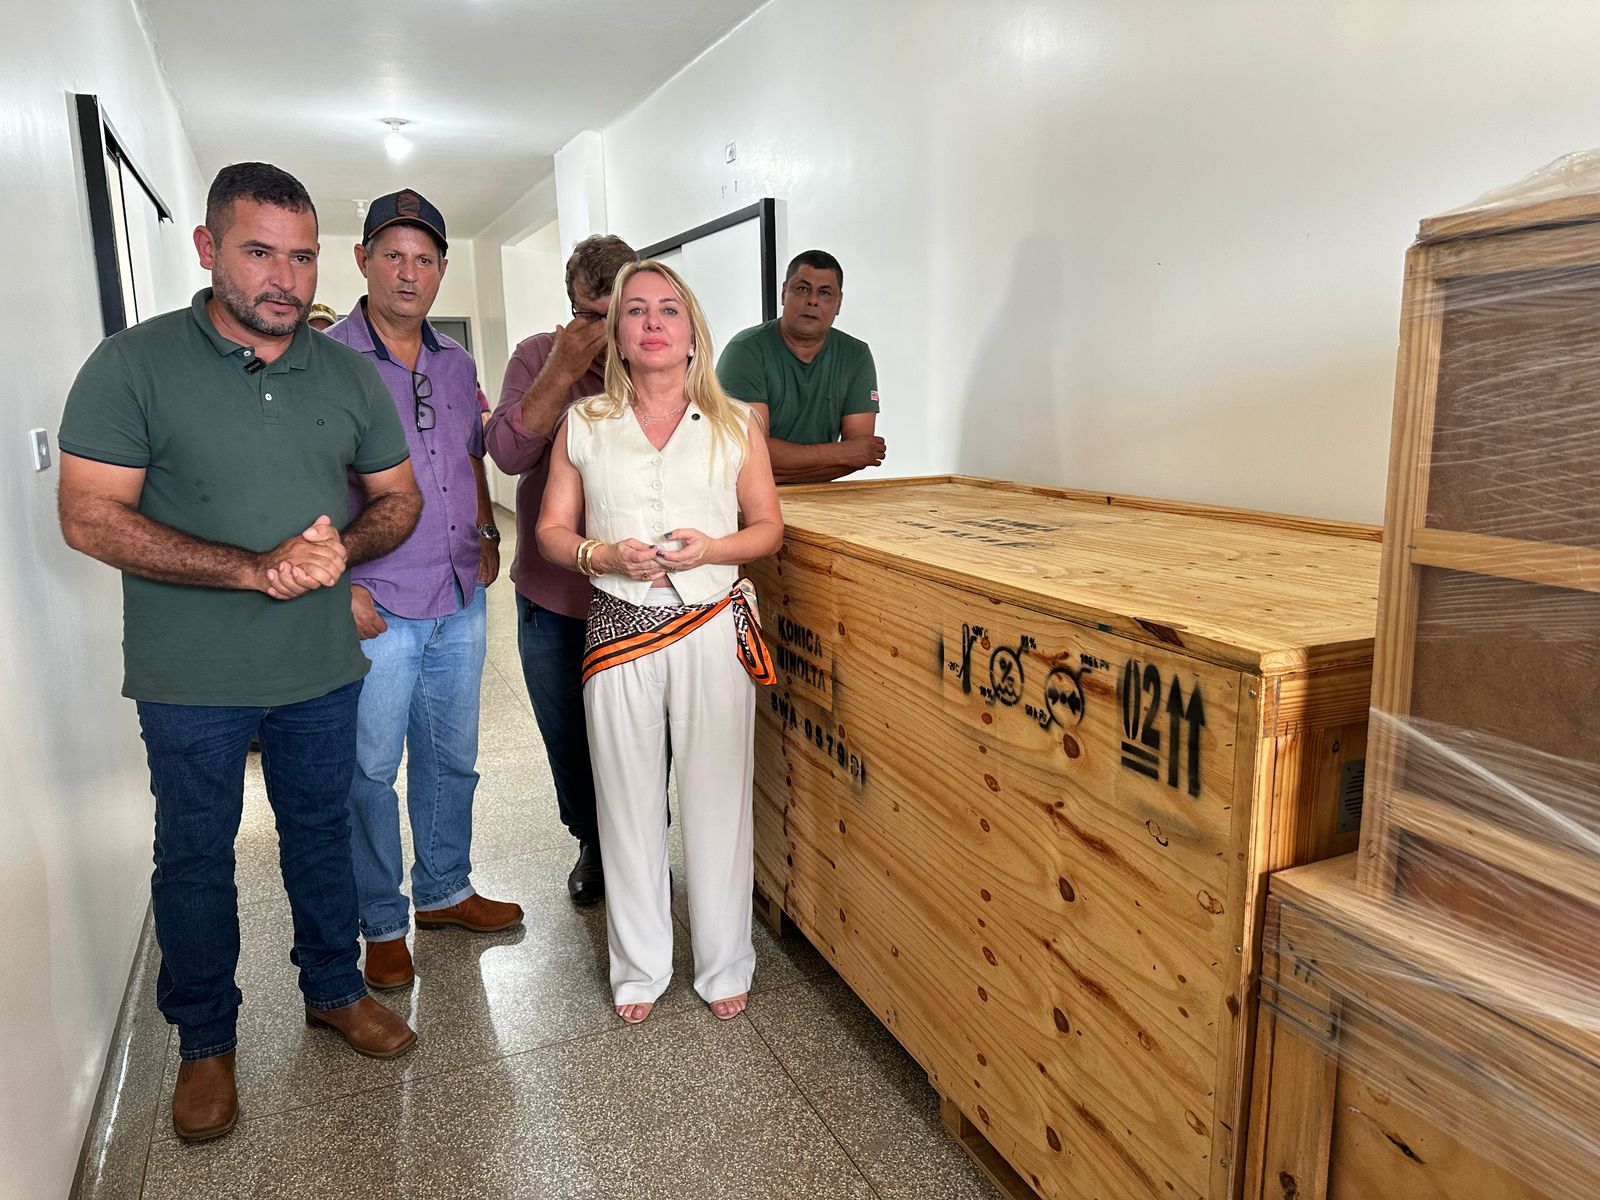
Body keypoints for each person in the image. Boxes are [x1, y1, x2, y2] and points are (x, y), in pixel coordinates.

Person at [57, 162, 424, 1142]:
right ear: (207, 249)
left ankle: (335, 989)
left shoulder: (344, 372)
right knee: (194, 853)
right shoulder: (132, 365)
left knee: (320, 829)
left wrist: (342, 549)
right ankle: (206, 1042)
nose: (284, 278)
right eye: (259, 252)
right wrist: (251, 570)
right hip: (192, 676)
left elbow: (399, 498)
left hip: (319, 664)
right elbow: (90, 516)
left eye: (301, 257)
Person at [535, 260, 782, 1025]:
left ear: (692, 331)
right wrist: (601, 555)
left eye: (668, 309)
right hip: (618, 630)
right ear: (616, 334)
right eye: (635, 310)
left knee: (718, 801)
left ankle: (724, 963)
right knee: (626, 803)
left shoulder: (737, 422)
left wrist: (712, 549)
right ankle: (639, 968)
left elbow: (767, 529)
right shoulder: (584, 422)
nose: (651, 323)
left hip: (712, 627)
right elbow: (550, 531)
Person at [326, 189, 523, 993]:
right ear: (363, 260)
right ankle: (381, 922)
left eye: (426, 259)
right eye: (394, 256)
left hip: (458, 588)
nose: (409, 274)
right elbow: (303, 481)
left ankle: (444, 889)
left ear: (441, 269)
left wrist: (485, 530)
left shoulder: (456, 361)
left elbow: (469, 454)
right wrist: (339, 586)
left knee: (451, 756)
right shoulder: (326, 361)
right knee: (369, 771)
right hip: (376, 598)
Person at [485, 234, 637, 906]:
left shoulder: (660, 359)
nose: (601, 333)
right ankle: (592, 843)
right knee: (568, 734)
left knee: (640, 736)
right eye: (586, 315)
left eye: (614, 316)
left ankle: (638, 842)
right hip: (555, 594)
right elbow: (509, 455)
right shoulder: (536, 357)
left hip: (639, 595)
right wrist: (560, 371)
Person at [715, 249, 886, 483]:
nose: (813, 300)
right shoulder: (745, 350)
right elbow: (749, 452)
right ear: (784, 293)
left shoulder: (856, 355)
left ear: (838, 303)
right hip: (741, 493)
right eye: (803, 289)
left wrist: (779, 467)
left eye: (824, 293)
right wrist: (841, 453)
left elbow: (861, 454)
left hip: (817, 495)